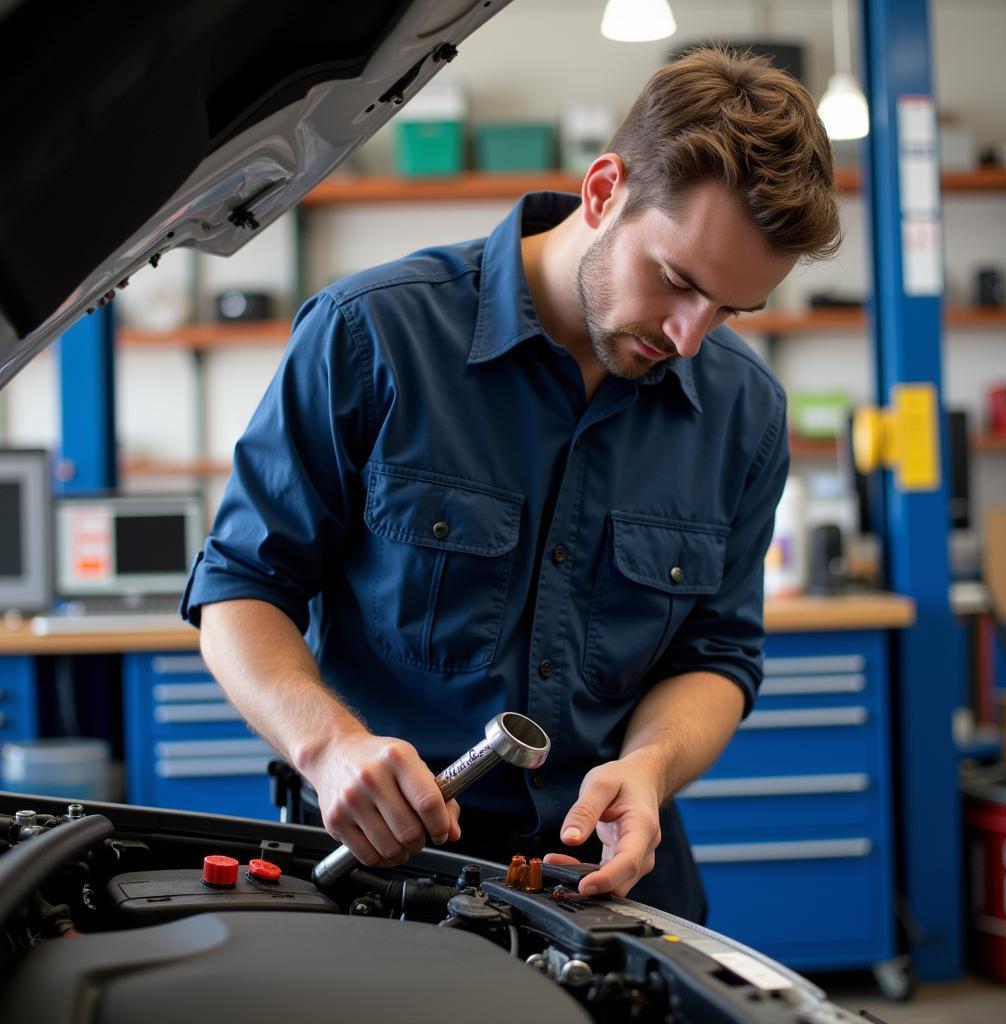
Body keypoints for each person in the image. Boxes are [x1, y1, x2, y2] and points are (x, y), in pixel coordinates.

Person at [182, 45, 840, 922]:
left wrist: (649, 765)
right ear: (604, 191)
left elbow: (716, 655)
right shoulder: (371, 336)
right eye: (677, 281)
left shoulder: (743, 410)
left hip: (608, 883)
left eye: (730, 309)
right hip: (385, 874)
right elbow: (239, 589)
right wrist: (330, 746)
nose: (691, 337)